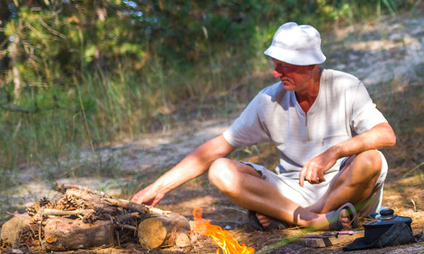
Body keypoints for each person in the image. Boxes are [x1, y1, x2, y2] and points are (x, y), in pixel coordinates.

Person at [130, 22, 396, 231]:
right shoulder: (268, 99)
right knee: (220, 169)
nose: (276, 73)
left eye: (285, 66)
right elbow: (215, 149)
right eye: (275, 64)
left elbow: (386, 135)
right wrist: (158, 188)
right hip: (291, 196)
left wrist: (334, 152)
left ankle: (305, 217)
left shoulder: (346, 86)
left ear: (312, 65)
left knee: (373, 160)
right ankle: (311, 221)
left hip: (346, 194)